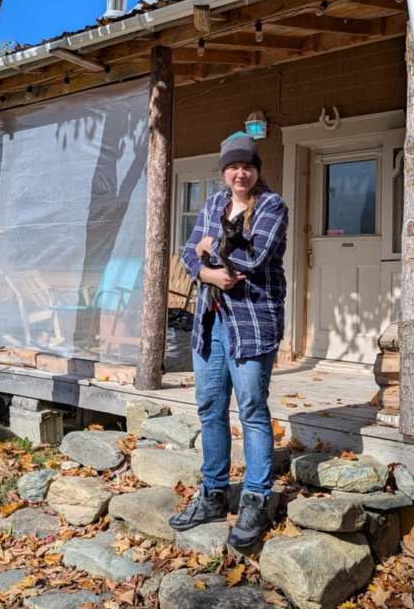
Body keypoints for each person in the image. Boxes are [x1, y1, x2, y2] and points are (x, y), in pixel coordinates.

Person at [168, 131, 288, 549]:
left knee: (253, 409)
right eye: (233, 166)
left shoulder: (272, 206)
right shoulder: (214, 204)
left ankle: (256, 497)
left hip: (253, 323)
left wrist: (210, 249)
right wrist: (206, 272)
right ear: (224, 172)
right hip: (211, 322)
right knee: (209, 406)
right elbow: (187, 250)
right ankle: (214, 493)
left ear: (256, 170)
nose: (241, 173)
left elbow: (254, 259)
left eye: (247, 166)